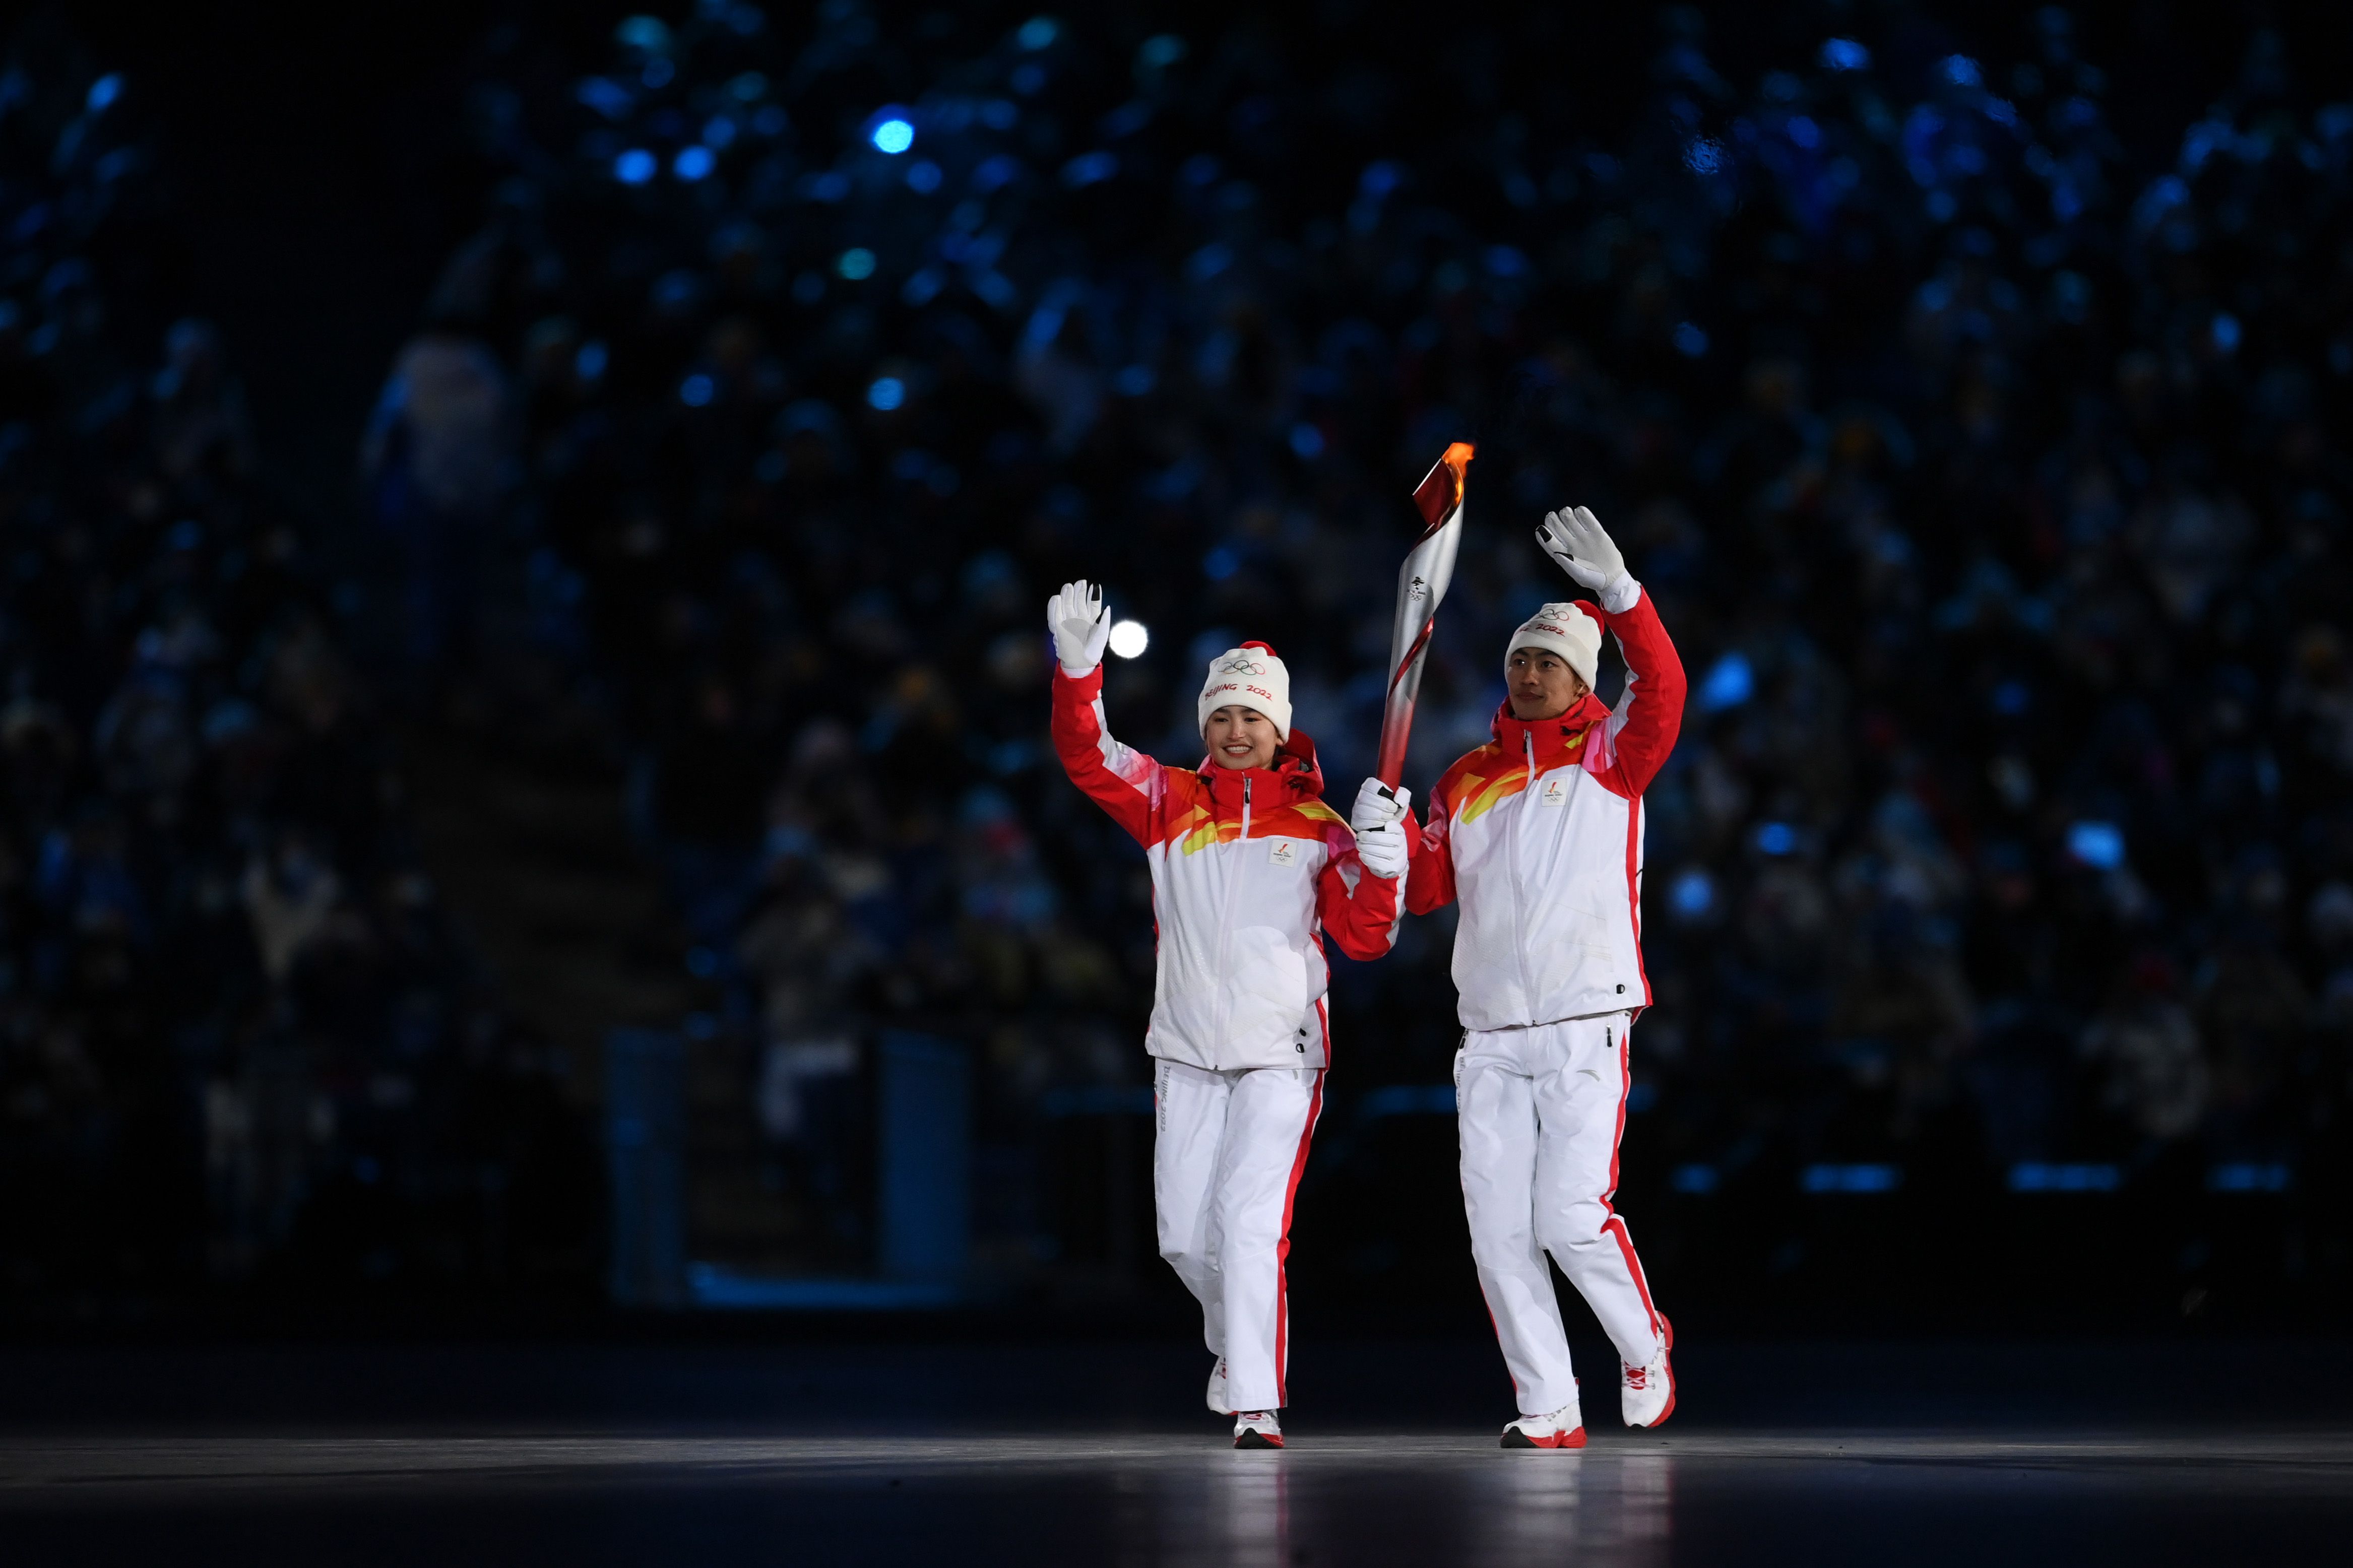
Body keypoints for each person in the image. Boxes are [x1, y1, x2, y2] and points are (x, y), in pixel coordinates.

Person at [1048, 581, 1408, 1449]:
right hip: (1184, 1053)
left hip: (1279, 1054)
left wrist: (1385, 864)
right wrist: (1075, 670)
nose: (1236, 732)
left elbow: (1365, 941)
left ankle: (1256, 1402)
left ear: (1279, 727)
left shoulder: (1323, 827)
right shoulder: (1168, 803)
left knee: (1249, 1225)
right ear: (1205, 727)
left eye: (1252, 718)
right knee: (1181, 1240)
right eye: (1222, 719)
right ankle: (1234, 1344)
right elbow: (1088, 756)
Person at [1376, 506, 1687, 1449]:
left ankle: (1642, 1344)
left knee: (1568, 1216)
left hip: (1586, 1017)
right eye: (1520, 659)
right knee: (1498, 1235)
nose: (1530, 671)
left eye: (1549, 661)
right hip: (1491, 1034)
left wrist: (1622, 597)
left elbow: (1664, 688)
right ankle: (1548, 1401)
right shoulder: (1463, 778)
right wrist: (1388, 849)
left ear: (1581, 678)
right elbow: (1428, 889)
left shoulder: (1612, 756)